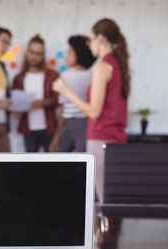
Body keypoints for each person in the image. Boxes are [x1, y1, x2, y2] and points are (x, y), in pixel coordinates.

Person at [53, 18, 131, 203]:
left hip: (101, 137)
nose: (89, 44)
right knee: (109, 197)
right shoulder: (117, 64)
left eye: (91, 39)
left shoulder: (102, 67)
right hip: (116, 138)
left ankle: (102, 233)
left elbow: (94, 111)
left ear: (101, 38)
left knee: (101, 200)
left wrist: (66, 92)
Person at [12, 35, 59, 152]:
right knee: (31, 167)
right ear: (27, 52)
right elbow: (14, 105)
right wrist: (18, 110)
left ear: (43, 55)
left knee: (52, 166)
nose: (34, 56)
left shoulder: (52, 75)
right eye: (32, 52)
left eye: (38, 54)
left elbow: (59, 99)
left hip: (49, 127)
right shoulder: (19, 78)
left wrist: (42, 102)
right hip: (28, 128)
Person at [50, 35, 95, 153]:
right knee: (83, 162)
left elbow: (62, 111)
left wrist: (56, 137)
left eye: (70, 52)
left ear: (78, 54)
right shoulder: (92, 76)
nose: (66, 56)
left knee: (62, 163)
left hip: (69, 124)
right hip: (85, 124)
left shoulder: (66, 77)